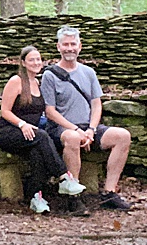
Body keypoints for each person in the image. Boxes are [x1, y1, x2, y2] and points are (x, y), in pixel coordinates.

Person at [41, 26, 132, 210]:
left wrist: (90, 129)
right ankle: (73, 196)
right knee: (73, 138)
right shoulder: (50, 75)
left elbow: (96, 104)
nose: (69, 48)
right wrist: (76, 130)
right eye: (65, 44)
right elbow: (50, 111)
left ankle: (109, 193)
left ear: (79, 46)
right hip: (62, 129)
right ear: (58, 47)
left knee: (122, 136)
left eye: (73, 44)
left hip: (88, 126)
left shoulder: (89, 72)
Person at [0, 45, 87, 214]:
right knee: (42, 137)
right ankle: (64, 178)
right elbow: (5, 111)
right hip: (9, 131)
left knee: (38, 151)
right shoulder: (16, 81)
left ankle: (35, 197)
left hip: (31, 134)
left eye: (38, 59)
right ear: (23, 62)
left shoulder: (38, 82)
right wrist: (22, 124)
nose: (36, 62)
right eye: (32, 60)